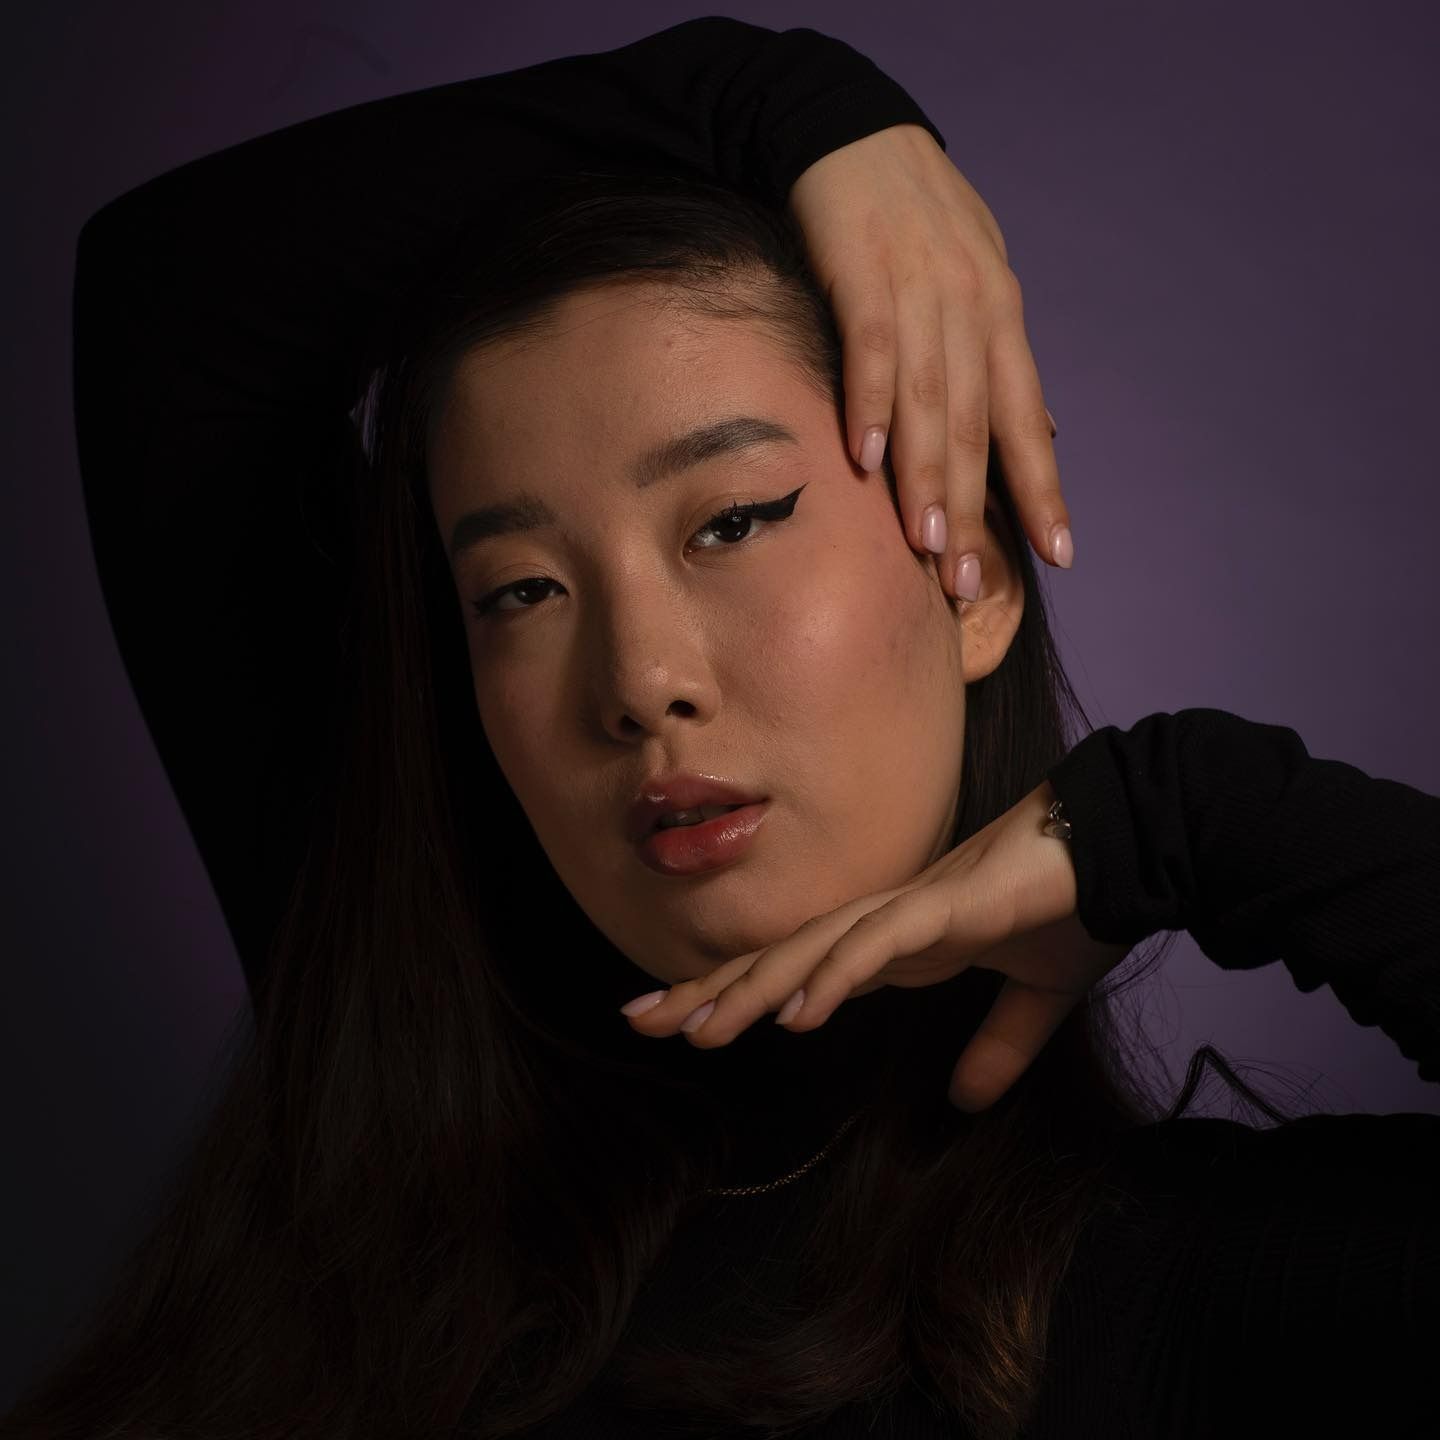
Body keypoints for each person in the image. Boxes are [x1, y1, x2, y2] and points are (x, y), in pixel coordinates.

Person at [5, 15, 1436, 1440]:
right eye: (521, 590)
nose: (636, 679)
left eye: (733, 521)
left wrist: (1195, 813)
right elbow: (173, 299)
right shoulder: (380, 1158)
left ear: (976, 575)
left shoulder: (1184, 1293)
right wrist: (787, 104)